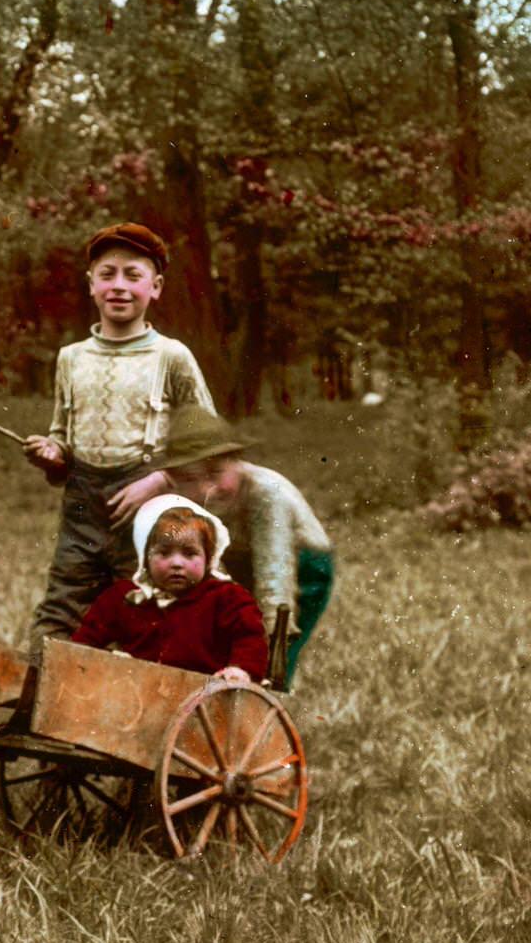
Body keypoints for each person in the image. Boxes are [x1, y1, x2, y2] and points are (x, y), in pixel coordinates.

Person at [24, 222, 215, 655]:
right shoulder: (70, 359)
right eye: (107, 274)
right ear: (91, 285)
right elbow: (62, 439)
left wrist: (159, 481)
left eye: (133, 275)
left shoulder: (171, 356)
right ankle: (35, 707)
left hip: (148, 511)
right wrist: (52, 453)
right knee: (61, 610)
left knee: (144, 612)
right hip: (81, 506)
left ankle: (139, 716)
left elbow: (208, 442)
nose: (119, 286)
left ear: (157, 287)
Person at [157, 405, 334, 683]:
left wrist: (264, 644)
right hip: (242, 558)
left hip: (302, 563)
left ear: (238, 463)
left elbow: (275, 578)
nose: (205, 489)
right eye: (190, 479)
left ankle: (270, 696)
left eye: (215, 473)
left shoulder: (266, 495)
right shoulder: (184, 500)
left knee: (274, 650)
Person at [72, 495, 268, 683]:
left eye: (189, 553)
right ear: (145, 557)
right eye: (164, 553)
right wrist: (98, 660)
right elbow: (86, 638)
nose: (176, 563)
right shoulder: (125, 597)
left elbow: (249, 639)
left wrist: (240, 669)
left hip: (202, 699)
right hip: (135, 694)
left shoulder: (228, 598)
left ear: (208, 559)